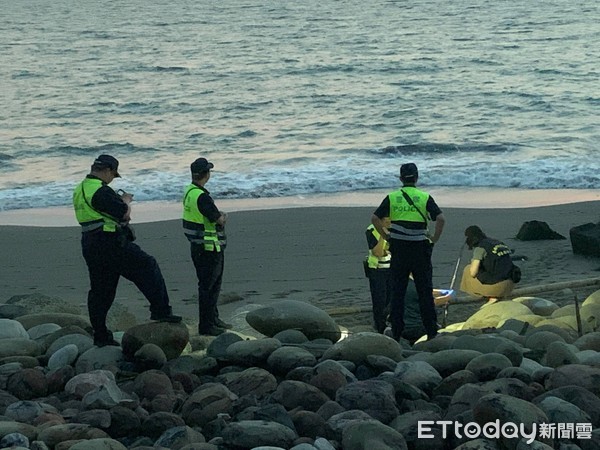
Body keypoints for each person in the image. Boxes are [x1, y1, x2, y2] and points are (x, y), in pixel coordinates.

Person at [73, 155, 181, 347]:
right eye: (113, 175)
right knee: (148, 266)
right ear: (107, 170)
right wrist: (126, 200)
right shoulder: (101, 191)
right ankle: (161, 311)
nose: (112, 178)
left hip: (90, 243)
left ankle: (100, 335)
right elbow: (123, 213)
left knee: (101, 291)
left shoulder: (80, 189)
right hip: (111, 242)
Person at [372, 162, 446, 341]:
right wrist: (434, 238)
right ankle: (431, 331)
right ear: (417, 178)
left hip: (399, 249)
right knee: (424, 291)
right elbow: (441, 219)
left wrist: (386, 236)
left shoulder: (392, 197)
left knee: (398, 292)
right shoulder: (424, 197)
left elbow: (375, 218)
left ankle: (397, 332)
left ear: (400, 179)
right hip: (420, 249)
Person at [182, 157, 232, 336]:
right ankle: (207, 325)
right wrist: (223, 217)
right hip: (209, 248)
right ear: (206, 174)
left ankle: (213, 318)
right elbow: (216, 218)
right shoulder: (202, 197)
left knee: (209, 286)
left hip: (197, 246)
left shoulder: (189, 192)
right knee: (209, 287)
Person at [460, 225, 517, 304]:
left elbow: (473, 273)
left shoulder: (480, 248)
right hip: (511, 284)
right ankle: (495, 294)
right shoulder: (498, 243)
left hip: (498, 288)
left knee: (468, 269)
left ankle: (488, 294)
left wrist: (474, 260)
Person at [365, 222, 393, 333]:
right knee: (379, 300)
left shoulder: (394, 228)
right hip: (377, 269)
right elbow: (378, 252)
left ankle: (389, 323)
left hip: (392, 268)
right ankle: (380, 326)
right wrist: (383, 234)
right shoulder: (372, 230)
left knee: (391, 298)